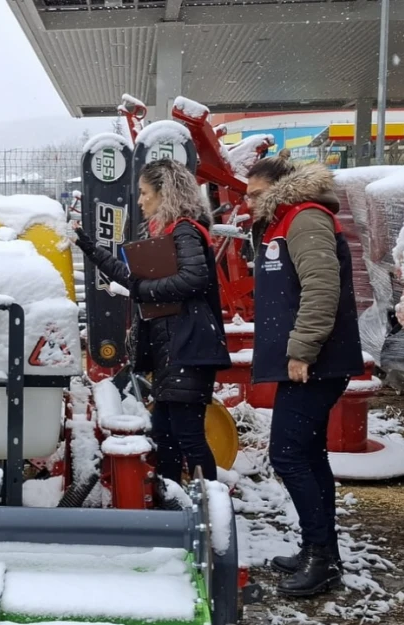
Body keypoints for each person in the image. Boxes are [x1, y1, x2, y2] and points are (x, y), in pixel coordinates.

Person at [246, 157, 364, 597]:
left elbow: (321, 287)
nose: (248, 201)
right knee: (309, 455)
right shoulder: (283, 222)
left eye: (256, 193)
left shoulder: (305, 218)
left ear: (281, 189)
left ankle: (322, 557)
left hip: (316, 363)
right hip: (308, 363)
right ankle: (320, 550)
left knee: (289, 454)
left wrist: (302, 349)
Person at [73, 159, 230, 484]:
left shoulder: (184, 230)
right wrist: (88, 246)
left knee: (186, 436)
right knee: (167, 436)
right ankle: (171, 502)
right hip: (173, 349)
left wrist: (145, 290)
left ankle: (209, 507)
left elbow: (194, 277)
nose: (141, 200)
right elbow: (133, 279)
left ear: (165, 193)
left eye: (145, 193)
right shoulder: (170, 235)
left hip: (186, 348)